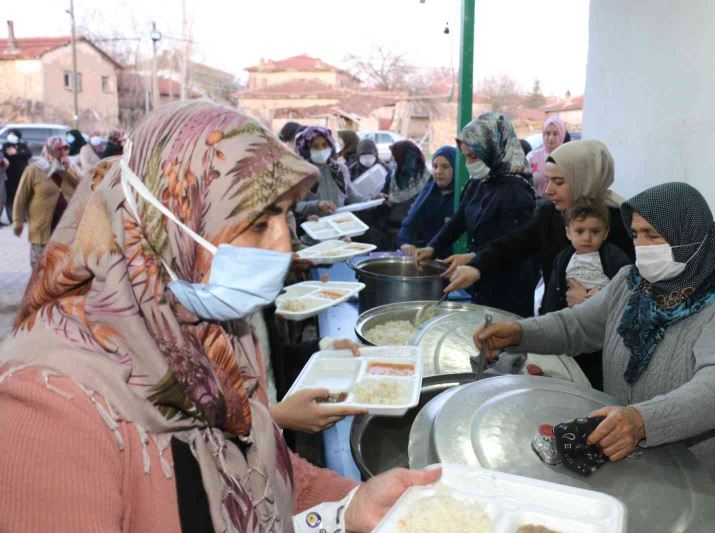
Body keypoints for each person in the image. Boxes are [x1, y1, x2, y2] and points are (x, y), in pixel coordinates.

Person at [0, 101, 440, 533]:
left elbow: (261, 466)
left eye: (285, 216)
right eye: (259, 222)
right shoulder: (49, 409)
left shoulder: (207, 332)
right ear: (168, 224)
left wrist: (347, 508)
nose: (284, 247)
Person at [476, 182, 715, 533]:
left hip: (707, 465)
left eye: (654, 235)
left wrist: (643, 420)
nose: (642, 246)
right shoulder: (631, 282)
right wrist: (522, 333)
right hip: (639, 449)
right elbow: (578, 326)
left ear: (689, 236)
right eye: (637, 234)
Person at [444, 140, 635, 315]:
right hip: (555, 324)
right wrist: (477, 267)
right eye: (548, 180)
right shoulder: (550, 214)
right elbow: (515, 244)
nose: (548, 190)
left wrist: (595, 301)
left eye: (559, 182)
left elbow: (633, 288)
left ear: (585, 178)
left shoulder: (621, 223)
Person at [416, 112, 537, 317]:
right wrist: (433, 247)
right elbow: (458, 221)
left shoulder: (517, 191)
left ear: (492, 149)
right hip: (481, 280)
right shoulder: (480, 182)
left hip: (508, 290)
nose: (469, 163)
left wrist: (473, 257)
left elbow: (515, 245)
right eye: (466, 156)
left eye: (474, 156)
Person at [541, 196, 631, 388]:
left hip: (602, 331)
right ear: (568, 232)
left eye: (595, 231)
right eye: (579, 231)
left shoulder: (613, 256)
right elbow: (553, 295)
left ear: (606, 233)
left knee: (596, 377)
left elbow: (628, 286)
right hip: (573, 326)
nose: (587, 238)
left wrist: (601, 297)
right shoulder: (564, 259)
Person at [12, 136, 82, 269]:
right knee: (40, 268)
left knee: (64, 268)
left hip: (67, 228)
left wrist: (70, 169)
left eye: (66, 150)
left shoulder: (69, 168)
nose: (64, 153)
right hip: (42, 228)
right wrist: (17, 222)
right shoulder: (34, 169)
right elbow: (21, 197)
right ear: (51, 150)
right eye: (60, 150)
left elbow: (84, 184)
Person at [294, 126, 369, 219]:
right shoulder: (302, 173)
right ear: (306, 149)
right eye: (315, 146)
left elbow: (352, 196)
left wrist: (371, 200)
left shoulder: (340, 170)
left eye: (324, 145)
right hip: (315, 226)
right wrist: (317, 205)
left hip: (340, 224)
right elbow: (294, 205)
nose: (321, 149)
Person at [398, 145, 456, 257]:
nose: (438, 171)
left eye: (445, 167)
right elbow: (409, 224)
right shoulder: (429, 193)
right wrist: (405, 243)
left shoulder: (462, 197)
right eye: (435, 166)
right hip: (427, 257)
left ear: (456, 168)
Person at [382, 141, 431, 249]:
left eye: (394, 156)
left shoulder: (427, 179)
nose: (392, 159)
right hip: (392, 230)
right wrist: (381, 197)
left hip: (416, 235)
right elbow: (385, 195)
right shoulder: (392, 175)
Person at [527, 116, 567, 198]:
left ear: (562, 135)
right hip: (536, 206)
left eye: (555, 134)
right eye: (547, 133)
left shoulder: (568, 157)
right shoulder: (532, 157)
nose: (551, 138)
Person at [2, 128, 33, 224]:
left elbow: (28, 154)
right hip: (10, 176)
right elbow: (6, 155)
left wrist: (16, 153)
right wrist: (14, 154)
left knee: (21, 196)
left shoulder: (22, 145)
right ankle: (12, 218)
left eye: (13, 134)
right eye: (9, 134)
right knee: (10, 198)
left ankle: (22, 217)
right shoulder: (6, 145)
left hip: (21, 175)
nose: (10, 136)